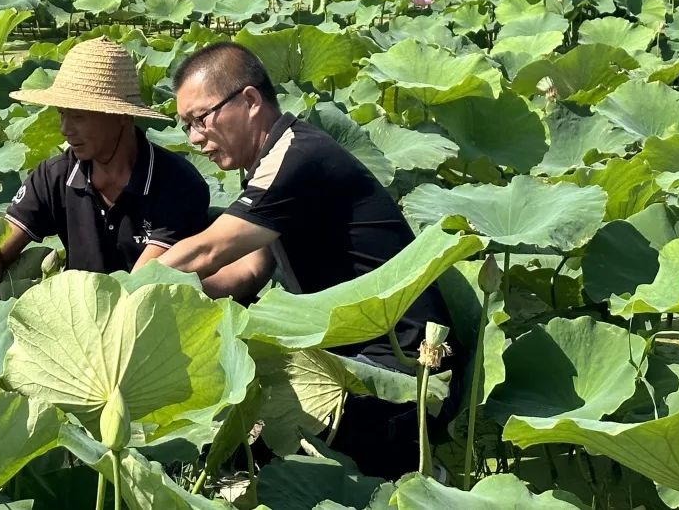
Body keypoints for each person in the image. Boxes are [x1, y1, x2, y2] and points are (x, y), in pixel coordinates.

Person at [133, 41, 460, 478]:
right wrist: (186, 303)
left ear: (248, 101)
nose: (193, 138)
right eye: (185, 125)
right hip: (344, 361)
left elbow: (209, 249)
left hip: (401, 370)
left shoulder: (298, 156)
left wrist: (128, 293)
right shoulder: (269, 164)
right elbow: (248, 271)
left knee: (253, 447)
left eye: (200, 119)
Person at [0, 37, 212, 296]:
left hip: (151, 320)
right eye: (62, 114)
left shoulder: (177, 185)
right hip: (72, 320)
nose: (65, 129)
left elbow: (139, 290)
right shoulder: (53, 176)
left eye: (78, 116)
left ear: (121, 115)